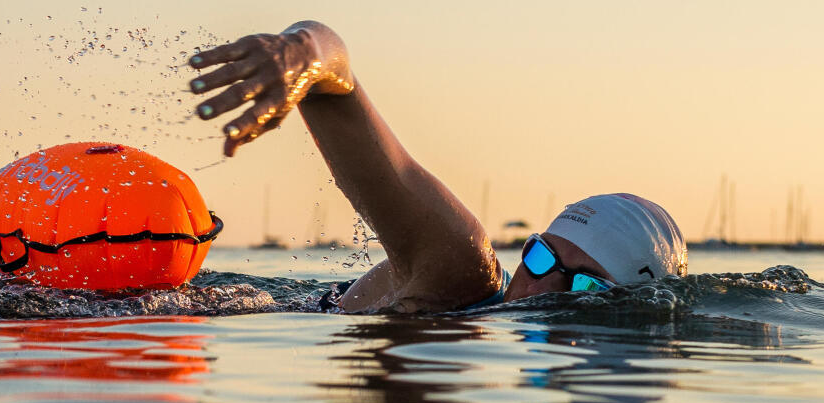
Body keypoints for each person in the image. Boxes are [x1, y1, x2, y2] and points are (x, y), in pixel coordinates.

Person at [188, 21, 686, 313]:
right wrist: (301, 52)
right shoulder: (460, 269)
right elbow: (338, 80)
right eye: (538, 259)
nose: (538, 287)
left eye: (582, 285)